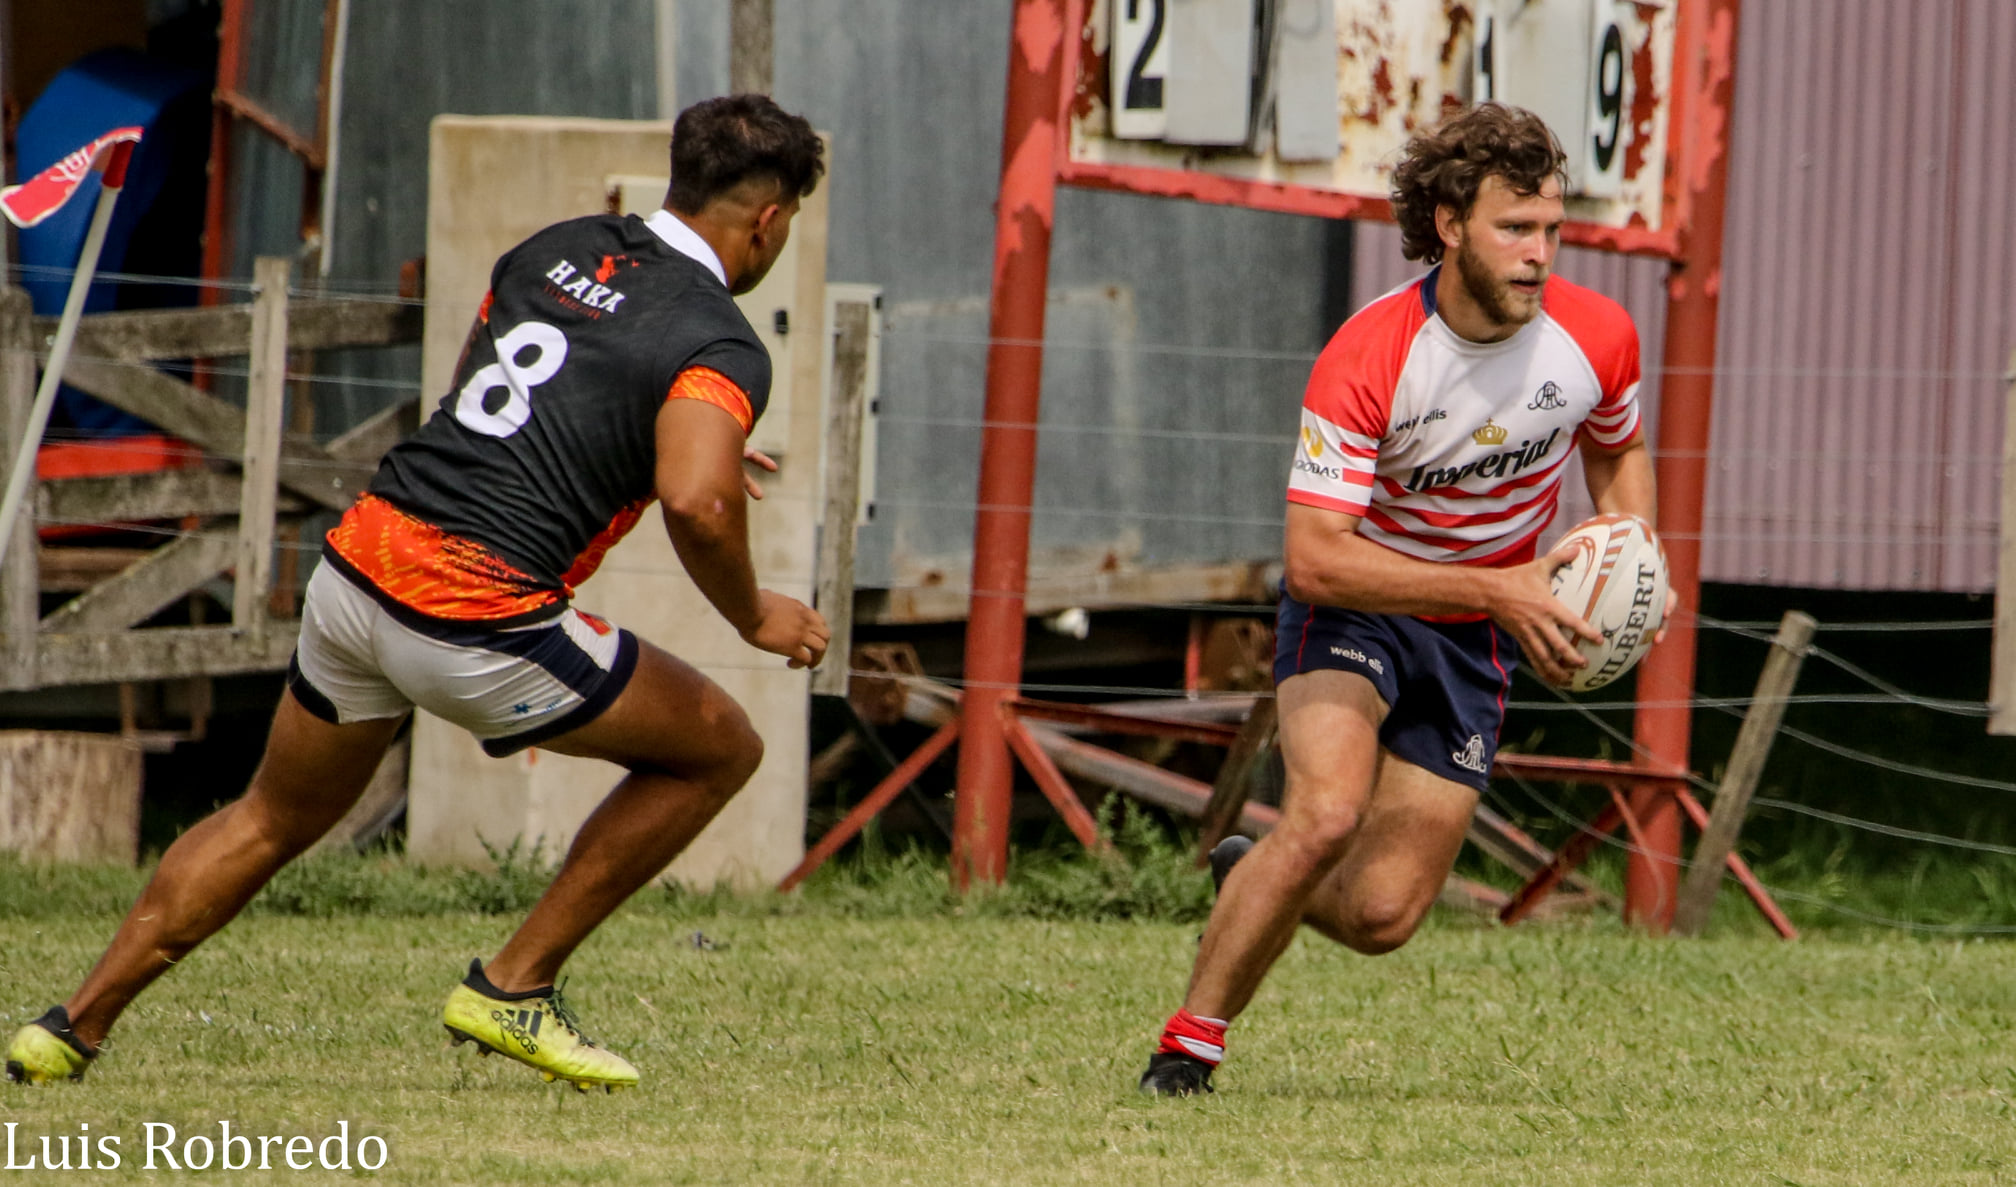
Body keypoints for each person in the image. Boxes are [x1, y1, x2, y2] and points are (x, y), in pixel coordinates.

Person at [6, 94, 831, 1092]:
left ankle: (68, 1025)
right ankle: (515, 983)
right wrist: (755, 611)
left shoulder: (553, 247)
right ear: (770, 220)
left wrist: (675, 439)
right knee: (719, 745)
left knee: (269, 814)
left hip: (359, 569)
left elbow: (504, 394)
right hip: (475, 613)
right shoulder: (719, 339)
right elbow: (697, 502)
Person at [1137, 103, 1659, 1096]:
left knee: (1381, 916)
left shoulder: (1598, 337)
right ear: (1450, 222)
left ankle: (1255, 863)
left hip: (1475, 639)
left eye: (1553, 229)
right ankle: (1186, 1047)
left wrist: (1637, 558)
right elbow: (1317, 561)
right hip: (1357, 606)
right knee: (1328, 811)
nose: (1539, 254)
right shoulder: (1371, 355)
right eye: (1516, 228)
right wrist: (1498, 585)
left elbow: (1619, 449)